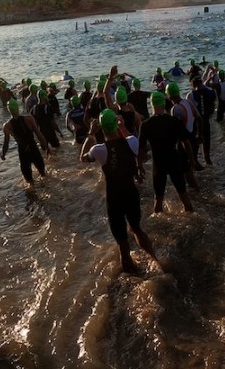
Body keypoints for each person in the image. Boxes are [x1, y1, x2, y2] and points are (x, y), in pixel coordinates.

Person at [81, 109, 158, 273]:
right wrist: (122, 127)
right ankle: (155, 259)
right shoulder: (132, 142)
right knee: (136, 228)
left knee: (122, 242)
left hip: (114, 198)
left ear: (101, 128)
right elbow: (136, 148)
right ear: (116, 124)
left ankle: (132, 276)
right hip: (131, 193)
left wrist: (90, 133)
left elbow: (82, 158)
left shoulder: (98, 150)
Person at [137, 91, 194, 214]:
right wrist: (191, 159)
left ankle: (158, 230)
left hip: (158, 164)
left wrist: (139, 165)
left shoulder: (146, 125)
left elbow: (140, 149)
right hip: (174, 161)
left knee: (158, 202)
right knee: (185, 198)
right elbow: (186, 143)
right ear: (163, 104)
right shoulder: (173, 121)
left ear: (152, 105)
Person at [1, 99, 49, 184]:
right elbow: (39, 134)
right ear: (18, 108)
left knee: (29, 181)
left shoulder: (7, 126)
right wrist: (47, 148)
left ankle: (33, 196)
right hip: (33, 148)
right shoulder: (29, 119)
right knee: (43, 175)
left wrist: (3, 154)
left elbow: (6, 143)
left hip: (23, 152)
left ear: (9, 110)